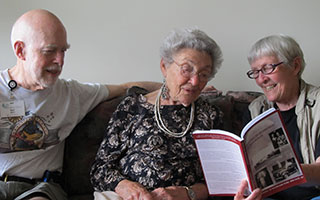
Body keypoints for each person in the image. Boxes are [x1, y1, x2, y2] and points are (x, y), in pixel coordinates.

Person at [0, 9, 161, 200]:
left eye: (63, 51)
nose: (60, 61)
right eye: (49, 51)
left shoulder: (72, 94)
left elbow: (125, 87)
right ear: (20, 50)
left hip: (42, 188)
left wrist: (176, 87)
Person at [90, 28, 224, 200]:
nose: (195, 81)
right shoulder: (132, 107)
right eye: (186, 69)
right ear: (164, 66)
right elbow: (100, 169)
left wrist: (187, 193)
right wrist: (128, 188)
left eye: (204, 74)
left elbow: (220, 180)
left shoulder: (211, 115)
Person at [235, 34, 320, 200]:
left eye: (268, 68)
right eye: (255, 72)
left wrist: (283, 170)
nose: (262, 79)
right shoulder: (255, 109)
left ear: (295, 66)